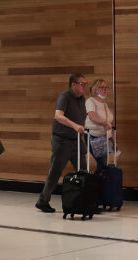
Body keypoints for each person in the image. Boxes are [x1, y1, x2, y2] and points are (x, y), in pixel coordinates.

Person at [36, 73, 88, 213]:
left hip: (76, 140)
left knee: (83, 171)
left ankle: (86, 202)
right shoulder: (64, 97)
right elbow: (58, 116)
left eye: (85, 84)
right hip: (62, 140)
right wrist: (74, 125)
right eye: (82, 84)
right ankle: (43, 201)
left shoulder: (82, 99)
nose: (84, 87)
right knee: (55, 171)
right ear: (73, 85)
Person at [85, 79, 115, 171]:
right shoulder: (91, 101)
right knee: (102, 163)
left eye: (106, 87)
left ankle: (101, 184)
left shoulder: (104, 105)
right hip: (93, 137)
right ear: (96, 90)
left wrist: (113, 141)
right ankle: (99, 184)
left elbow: (109, 124)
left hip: (104, 137)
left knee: (104, 164)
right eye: (102, 87)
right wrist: (104, 124)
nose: (105, 90)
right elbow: (92, 117)